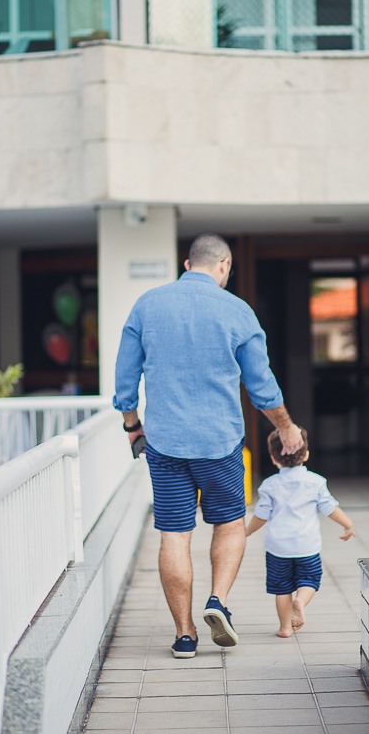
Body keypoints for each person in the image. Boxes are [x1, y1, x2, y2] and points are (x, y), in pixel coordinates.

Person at [114, 233, 304, 658]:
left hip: (164, 445)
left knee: (174, 536)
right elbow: (262, 387)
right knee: (230, 523)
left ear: (187, 265)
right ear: (224, 266)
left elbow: (126, 374)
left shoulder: (148, 304)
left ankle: (184, 635)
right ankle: (217, 601)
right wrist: (287, 428)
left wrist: (131, 424)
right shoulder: (237, 311)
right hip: (219, 445)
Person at [246, 427, 355, 637]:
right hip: (307, 545)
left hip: (278, 547)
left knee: (281, 588)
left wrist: (246, 532)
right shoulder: (315, 482)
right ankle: (301, 601)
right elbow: (330, 509)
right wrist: (348, 524)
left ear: (272, 458)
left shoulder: (269, 485)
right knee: (309, 580)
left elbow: (261, 514)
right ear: (306, 454)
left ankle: (285, 628)